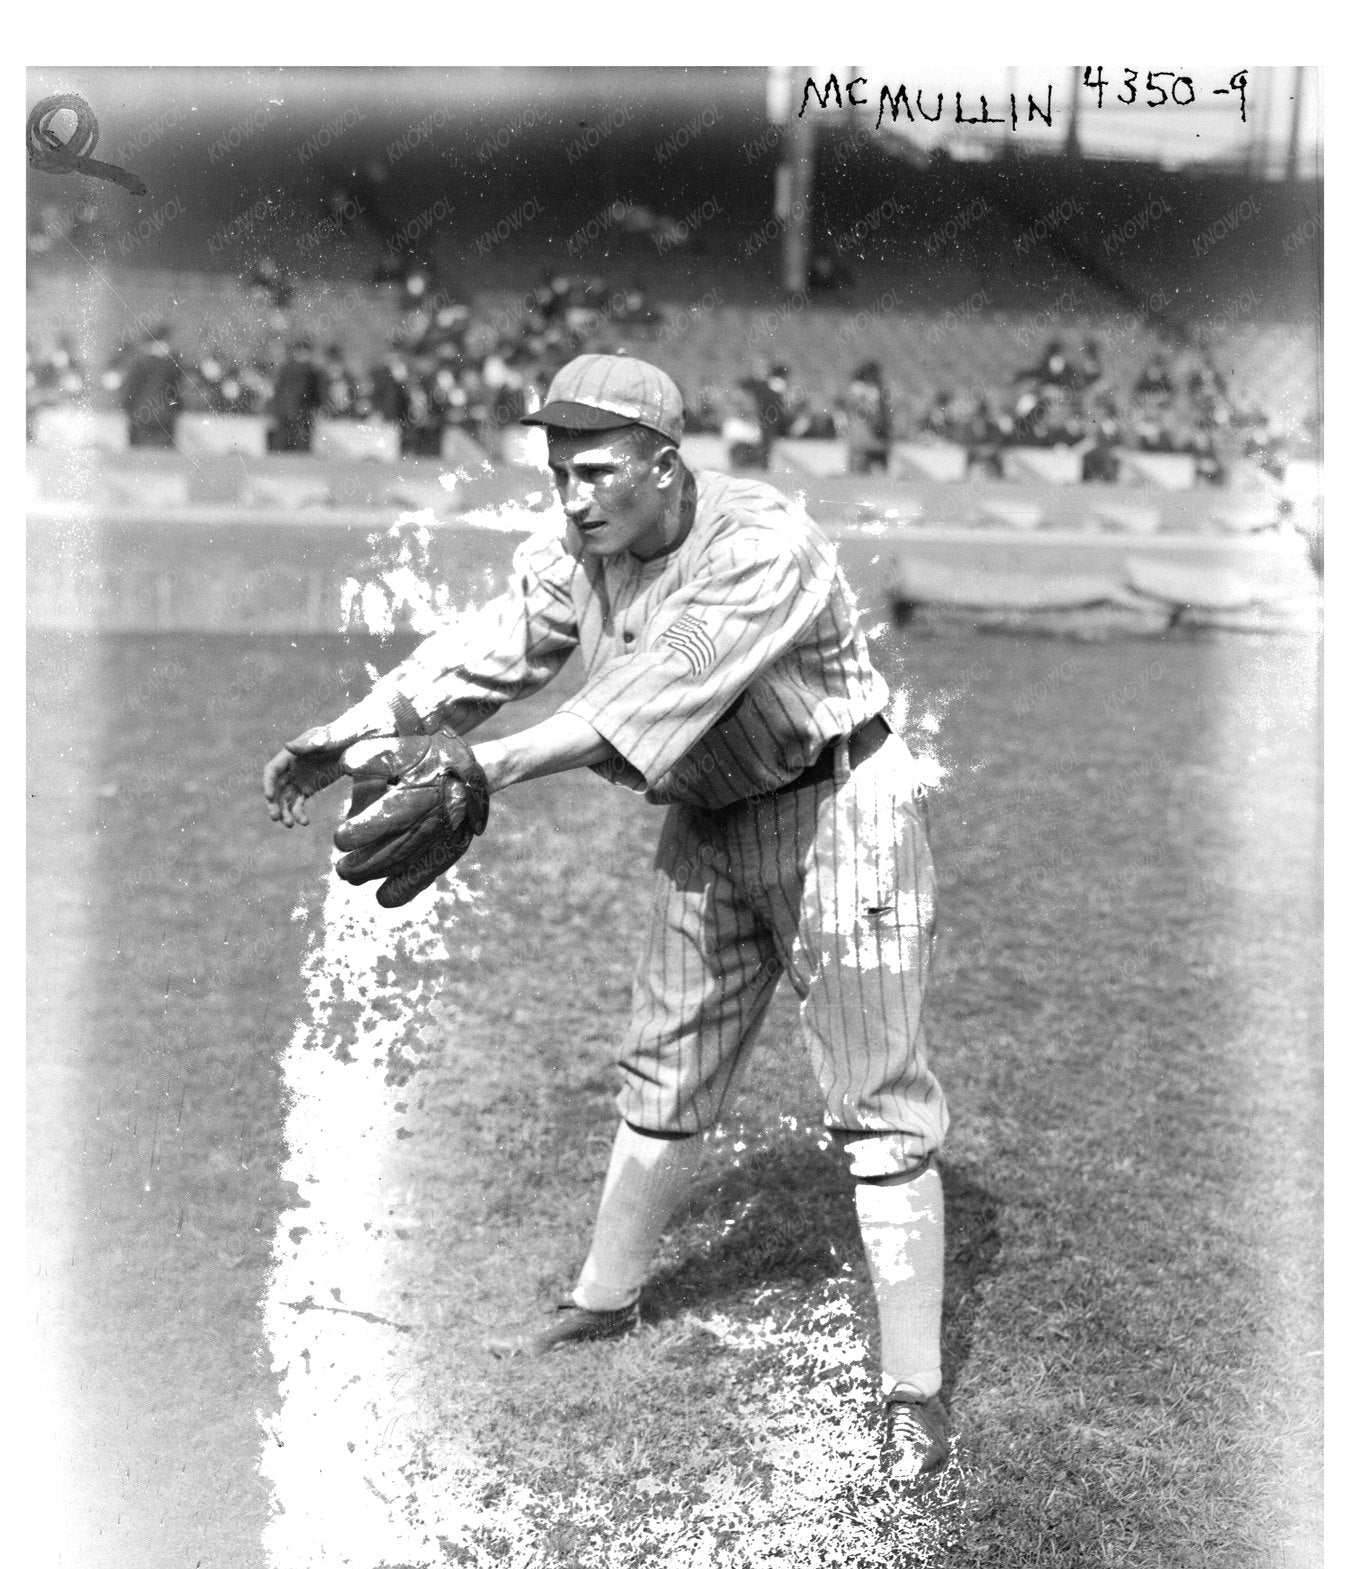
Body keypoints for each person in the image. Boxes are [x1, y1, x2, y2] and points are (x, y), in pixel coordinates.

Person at [262, 355, 953, 1474]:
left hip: (840, 809)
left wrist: (479, 769)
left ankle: (913, 1388)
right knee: (664, 1067)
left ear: (666, 467)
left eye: (596, 473)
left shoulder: (760, 543)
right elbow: (488, 650)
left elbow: (636, 699)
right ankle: (605, 1298)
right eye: (558, 473)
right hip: (713, 814)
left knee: (877, 1101)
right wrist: (351, 733)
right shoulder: (576, 550)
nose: (572, 497)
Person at [121, 325, 183, 448]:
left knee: (139, 452)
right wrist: (176, 408)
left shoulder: (140, 360)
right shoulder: (172, 363)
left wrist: (128, 406)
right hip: (164, 414)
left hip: (141, 414)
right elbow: (174, 391)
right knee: (164, 453)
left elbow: (131, 389)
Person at [840, 361, 892, 474]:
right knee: (860, 473)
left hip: (873, 438)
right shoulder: (860, 389)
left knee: (870, 474)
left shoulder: (876, 390)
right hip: (864, 439)